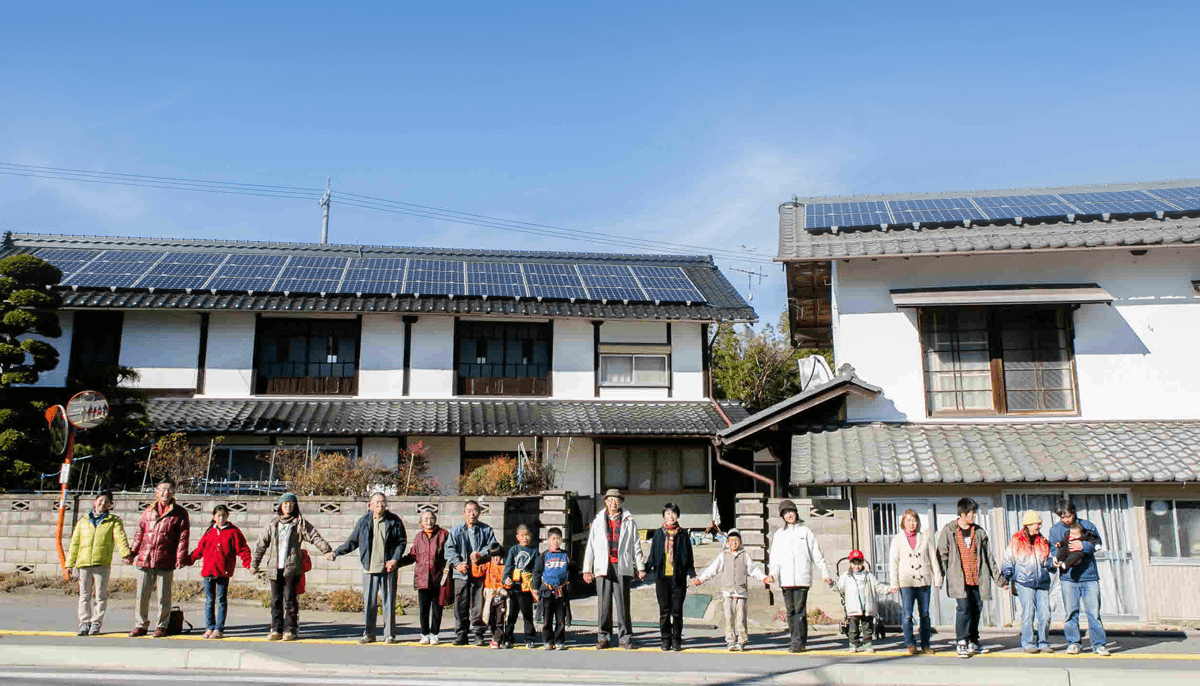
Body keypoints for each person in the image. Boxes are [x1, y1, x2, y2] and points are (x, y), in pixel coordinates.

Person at [251, 493, 333, 641]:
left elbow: (314, 536)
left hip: (292, 566)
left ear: (295, 506)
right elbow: (261, 544)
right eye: (285, 504)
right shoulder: (273, 524)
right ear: (280, 506)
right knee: (275, 600)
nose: (288, 506)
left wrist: (326, 550)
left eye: (290, 504)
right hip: (274, 567)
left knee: (290, 599)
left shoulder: (299, 523)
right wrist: (254, 564)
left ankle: (291, 629)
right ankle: (276, 628)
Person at [330, 493, 408, 644]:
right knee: (369, 603)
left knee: (389, 602)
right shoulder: (364, 521)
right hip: (369, 568)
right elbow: (352, 542)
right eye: (377, 502)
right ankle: (369, 634)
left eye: (383, 502)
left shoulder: (394, 521)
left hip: (388, 568)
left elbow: (401, 542)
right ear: (370, 505)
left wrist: (395, 559)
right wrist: (336, 552)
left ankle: (389, 635)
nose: (380, 505)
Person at [936, 497, 1005, 659]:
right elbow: (942, 555)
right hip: (958, 578)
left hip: (977, 577)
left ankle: (973, 640)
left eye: (975, 512)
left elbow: (989, 557)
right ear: (962, 513)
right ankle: (961, 641)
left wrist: (999, 579)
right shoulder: (949, 530)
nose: (974, 516)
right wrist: (941, 576)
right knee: (963, 609)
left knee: (976, 609)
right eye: (971, 512)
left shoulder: (979, 532)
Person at [582, 488, 646, 650]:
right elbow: (591, 546)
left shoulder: (629, 520)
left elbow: (635, 545)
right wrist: (587, 569)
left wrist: (640, 567)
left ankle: (625, 638)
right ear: (605, 502)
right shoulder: (598, 521)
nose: (613, 503)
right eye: (610, 500)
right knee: (604, 605)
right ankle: (603, 637)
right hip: (603, 566)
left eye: (616, 500)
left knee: (623, 604)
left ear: (621, 502)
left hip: (621, 565)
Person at [766, 499, 830, 653]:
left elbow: (817, 554)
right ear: (782, 516)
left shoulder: (805, 532)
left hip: (802, 578)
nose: (789, 515)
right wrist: (773, 574)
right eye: (786, 513)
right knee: (790, 612)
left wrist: (825, 573)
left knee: (800, 611)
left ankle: (799, 642)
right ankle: (794, 639)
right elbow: (775, 557)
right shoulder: (779, 534)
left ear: (796, 513)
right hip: (786, 579)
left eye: (791, 512)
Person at [128, 480, 190, 638]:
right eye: (162, 489)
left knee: (164, 596)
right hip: (146, 558)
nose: (165, 492)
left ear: (174, 492)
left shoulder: (180, 513)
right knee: (142, 595)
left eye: (169, 489)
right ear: (156, 492)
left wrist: (180, 557)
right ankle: (140, 625)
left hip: (166, 558)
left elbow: (183, 538)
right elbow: (139, 534)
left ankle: (162, 625)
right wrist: (132, 553)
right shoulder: (148, 511)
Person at [65, 491, 133, 636]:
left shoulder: (114, 521)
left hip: (101, 563)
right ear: (95, 502)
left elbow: (120, 538)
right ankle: (84, 622)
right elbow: (75, 543)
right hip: (83, 563)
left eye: (107, 502)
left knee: (100, 595)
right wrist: (69, 563)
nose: (103, 503)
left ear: (110, 505)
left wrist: (125, 554)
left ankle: (96, 623)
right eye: (100, 500)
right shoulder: (83, 521)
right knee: (84, 595)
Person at [1048, 499, 1109, 656]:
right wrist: (1056, 558)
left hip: (1089, 575)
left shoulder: (1087, 525)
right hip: (1068, 578)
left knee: (1093, 612)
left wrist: (1084, 546)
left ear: (1074, 512)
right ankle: (1073, 643)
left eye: (1068, 516)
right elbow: (1053, 549)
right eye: (1062, 517)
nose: (1066, 519)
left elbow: (1097, 542)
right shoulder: (1055, 530)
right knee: (1070, 612)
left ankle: (1099, 644)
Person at [692, 529, 767, 652]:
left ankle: (742, 641)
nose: (734, 543)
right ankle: (730, 641)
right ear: (727, 542)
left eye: (736, 540)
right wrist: (700, 579)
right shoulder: (723, 555)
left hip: (741, 592)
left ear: (740, 542)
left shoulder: (745, 555)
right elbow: (712, 569)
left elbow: (753, 570)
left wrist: (764, 578)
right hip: (728, 592)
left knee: (741, 618)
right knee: (728, 618)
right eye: (731, 540)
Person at [188, 504, 251, 639]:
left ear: (227, 516)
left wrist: (249, 564)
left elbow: (243, 549)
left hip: (223, 572)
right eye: (218, 516)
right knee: (209, 601)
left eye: (223, 515)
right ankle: (209, 627)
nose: (221, 518)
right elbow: (200, 550)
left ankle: (219, 628)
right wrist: (187, 560)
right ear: (214, 517)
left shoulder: (234, 532)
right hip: (208, 571)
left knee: (221, 600)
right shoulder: (209, 532)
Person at [888, 508, 942, 655]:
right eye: (908, 520)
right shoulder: (897, 540)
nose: (912, 524)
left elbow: (933, 560)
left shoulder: (925, 539)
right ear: (903, 523)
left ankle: (926, 644)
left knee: (924, 614)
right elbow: (893, 563)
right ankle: (910, 643)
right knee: (907, 614)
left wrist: (938, 578)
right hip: (906, 582)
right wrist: (894, 583)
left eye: (914, 520)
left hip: (924, 580)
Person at [1000, 510, 1056, 654]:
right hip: (1024, 581)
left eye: (1039, 523)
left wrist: (1053, 564)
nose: (1038, 526)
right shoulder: (1017, 539)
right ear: (1028, 524)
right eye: (1036, 523)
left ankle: (1044, 642)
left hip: (1042, 581)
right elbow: (1008, 559)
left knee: (1045, 614)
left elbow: (1047, 559)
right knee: (1028, 612)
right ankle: (1028, 642)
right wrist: (1006, 577)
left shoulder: (1042, 540)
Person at [445, 500, 498, 646]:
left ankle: (478, 633)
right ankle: (461, 633)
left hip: (479, 574)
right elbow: (449, 550)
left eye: (474, 510)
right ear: (463, 513)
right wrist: (457, 563)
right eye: (468, 511)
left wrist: (481, 554)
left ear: (479, 513)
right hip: (460, 574)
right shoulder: (455, 531)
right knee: (460, 605)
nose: (471, 513)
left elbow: (493, 546)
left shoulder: (486, 530)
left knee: (478, 605)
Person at [644, 502, 695, 651]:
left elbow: (689, 556)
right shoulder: (658, 534)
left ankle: (677, 640)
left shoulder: (683, 534)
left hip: (678, 577)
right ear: (663, 516)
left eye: (673, 513)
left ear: (677, 515)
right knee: (664, 611)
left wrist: (691, 574)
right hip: (662, 577)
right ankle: (665, 639)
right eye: (667, 514)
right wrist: (644, 570)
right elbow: (653, 555)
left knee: (677, 611)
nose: (670, 516)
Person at [401, 509, 450, 645]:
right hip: (422, 579)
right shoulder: (418, 537)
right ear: (421, 522)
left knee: (437, 609)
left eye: (431, 518)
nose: (429, 521)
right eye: (425, 519)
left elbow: (449, 555)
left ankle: (434, 633)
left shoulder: (443, 535)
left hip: (438, 578)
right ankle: (424, 634)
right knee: (423, 609)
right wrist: (397, 563)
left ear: (435, 520)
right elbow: (413, 555)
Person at [833, 550, 892, 653]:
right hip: (853, 607)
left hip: (866, 607)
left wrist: (889, 589)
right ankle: (853, 644)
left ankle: (867, 644)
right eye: (854, 564)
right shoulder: (846, 576)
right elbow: (839, 587)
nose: (857, 566)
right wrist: (831, 584)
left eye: (859, 563)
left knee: (867, 628)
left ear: (863, 563)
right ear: (850, 564)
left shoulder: (868, 575)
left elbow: (877, 587)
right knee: (853, 628)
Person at [500, 524, 539, 649]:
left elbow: (537, 569)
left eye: (527, 535)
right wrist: (506, 579)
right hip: (514, 587)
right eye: (522, 535)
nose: (525, 538)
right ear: (517, 537)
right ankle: (508, 638)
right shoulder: (514, 550)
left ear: (531, 536)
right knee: (512, 614)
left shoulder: (534, 551)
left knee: (527, 614)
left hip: (526, 587)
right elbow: (508, 566)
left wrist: (535, 585)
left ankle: (529, 638)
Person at [533, 526, 572, 650]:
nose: (556, 541)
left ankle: (559, 640)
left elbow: (573, 570)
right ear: (548, 540)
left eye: (558, 539)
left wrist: (571, 585)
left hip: (560, 592)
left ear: (562, 540)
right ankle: (548, 641)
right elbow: (537, 572)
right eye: (553, 539)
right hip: (547, 592)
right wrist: (535, 587)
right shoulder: (544, 556)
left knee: (561, 619)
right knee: (547, 618)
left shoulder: (566, 555)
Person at [480, 543, 507, 646]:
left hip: (501, 597)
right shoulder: (487, 566)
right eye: (494, 557)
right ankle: (495, 635)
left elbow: (507, 581)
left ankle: (497, 639)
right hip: (490, 597)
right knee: (490, 619)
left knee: (500, 619)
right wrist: (475, 561)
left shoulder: (504, 568)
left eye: (498, 557)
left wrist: (505, 583)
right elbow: (477, 572)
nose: (496, 559)